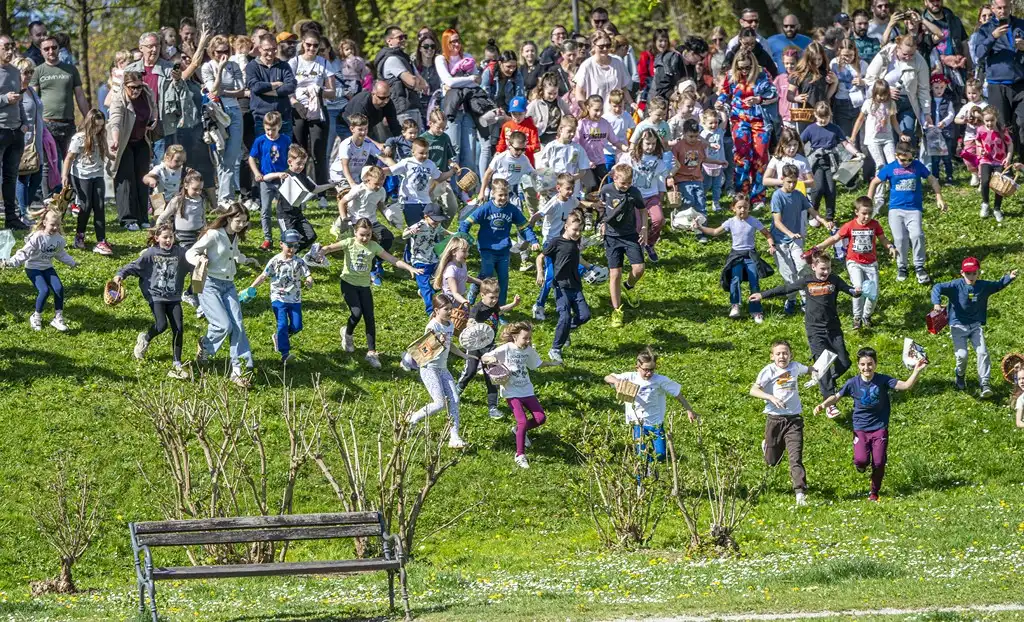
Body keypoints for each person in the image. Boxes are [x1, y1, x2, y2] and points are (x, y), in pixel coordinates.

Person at [814, 347, 927, 501]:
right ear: (858, 365)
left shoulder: (883, 380)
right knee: (861, 460)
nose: (866, 367)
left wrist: (916, 371)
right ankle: (860, 465)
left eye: (869, 364)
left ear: (875, 364)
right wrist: (823, 405)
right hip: (860, 428)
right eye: (863, 364)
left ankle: (874, 492)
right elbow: (836, 397)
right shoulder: (852, 383)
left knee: (879, 462)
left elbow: (906, 385)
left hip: (879, 428)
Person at [754, 251, 860, 415]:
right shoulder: (807, 281)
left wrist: (855, 292)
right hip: (815, 330)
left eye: (829, 268)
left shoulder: (834, 280)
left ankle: (823, 378)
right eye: (823, 269)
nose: (826, 272)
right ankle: (829, 403)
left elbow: (849, 289)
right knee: (823, 365)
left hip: (834, 329)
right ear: (813, 267)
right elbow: (786, 288)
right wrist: (762, 295)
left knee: (845, 362)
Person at [321, 218, 422, 369]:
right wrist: (322, 251)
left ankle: (372, 353)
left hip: (364, 286)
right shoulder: (349, 243)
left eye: (368, 235)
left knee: (369, 317)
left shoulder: (373, 246)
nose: (365, 238)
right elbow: (329, 248)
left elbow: (392, 259)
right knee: (356, 313)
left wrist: (410, 268)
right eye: (362, 235)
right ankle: (347, 334)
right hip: (348, 284)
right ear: (355, 232)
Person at [186, 204, 260, 387]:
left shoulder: (234, 236)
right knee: (223, 325)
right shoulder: (214, 234)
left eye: (244, 222)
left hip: (229, 285)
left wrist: (247, 260)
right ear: (228, 218)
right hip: (209, 284)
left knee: (238, 325)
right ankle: (205, 345)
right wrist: (199, 259)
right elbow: (190, 252)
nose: (241, 225)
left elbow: (234, 253)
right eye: (238, 221)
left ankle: (238, 370)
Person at [113, 224, 193, 378]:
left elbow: (194, 264)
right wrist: (120, 274)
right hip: (156, 296)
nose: (168, 240)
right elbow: (134, 266)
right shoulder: (151, 253)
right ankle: (145, 338)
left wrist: (202, 263)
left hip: (174, 297)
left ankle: (177, 363)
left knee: (179, 328)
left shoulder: (181, 253)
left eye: (171, 237)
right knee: (161, 325)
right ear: (157, 238)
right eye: (165, 237)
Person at [931, 257, 1017, 396]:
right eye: (968, 273)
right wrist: (936, 302)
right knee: (962, 356)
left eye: (974, 273)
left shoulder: (983, 286)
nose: (971, 276)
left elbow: (997, 285)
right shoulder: (955, 286)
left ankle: (984, 383)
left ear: (979, 273)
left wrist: (1009, 278)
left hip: (975, 325)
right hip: (958, 326)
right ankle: (960, 374)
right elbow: (937, 287)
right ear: (962, 273)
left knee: (983, 352)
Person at [482, 322, 561, 469]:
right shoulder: (507, 348)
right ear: (515, 337)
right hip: (512, 392)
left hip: (527, 390)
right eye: (525, 338)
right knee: (522, 422)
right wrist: (491, 360)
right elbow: (485, 357)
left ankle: (518, 431)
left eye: (530, 338)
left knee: (541, 418)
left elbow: (536, 363)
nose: (528, 341)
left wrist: (552, 364)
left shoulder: (528, 350)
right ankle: (520, 455)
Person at [811, 197, 897, 330]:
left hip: (871, 264)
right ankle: (857, 317)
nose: (867, 216)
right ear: (856, 212)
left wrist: (890, 247)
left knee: (873, 294)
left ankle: (866, 316)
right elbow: (835, 238)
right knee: (858, 289)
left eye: (870, 213)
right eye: (864, 213)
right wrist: (820, 246)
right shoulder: (850, 225)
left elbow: (882, 238)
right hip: (854, 262)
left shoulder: (875, 225)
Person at [867, 141, 946, 284]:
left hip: (914, 209)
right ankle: (902, 266)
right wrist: (868, 202)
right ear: (896, 155)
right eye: (903, 160)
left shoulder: (917, 166)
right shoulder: (890, 168)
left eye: (910, 159)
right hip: (896, 209)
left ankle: (919, 266)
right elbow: (874, 182)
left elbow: (932, 180)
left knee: (917, 235)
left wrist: (939, 197)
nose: (907, 163)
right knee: (900, 239)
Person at [604, 347, 699, 465]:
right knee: (641, 454)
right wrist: (617, 382)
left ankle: (649, 466)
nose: (649, 373)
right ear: (637, 367)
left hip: (655, 423)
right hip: (637, 423)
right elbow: (607, 377)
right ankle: (642, 473)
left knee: (661, 454)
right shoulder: (630, 377)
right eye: (646, 370)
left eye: (652, 370)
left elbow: (677, 394)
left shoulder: (660, 380)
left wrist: (689, 410)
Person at [749, 339, 814, 505]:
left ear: (790, 355)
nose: (782, 356)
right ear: (772, 356)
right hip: (775, 420)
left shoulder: (795, 367)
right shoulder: (768, 370)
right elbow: (753, 390)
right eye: (778, 353)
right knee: (772, 461)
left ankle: (800, 493)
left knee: (795, 457)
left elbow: (809, 370)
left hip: (794, 420)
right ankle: (767, 446)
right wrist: (770, 397)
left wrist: (816, 370)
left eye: (785, 353)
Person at [460, 177, 538, 306]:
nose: (503, 198)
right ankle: (476, 294)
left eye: (506, 195)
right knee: (487, 276)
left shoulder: (512, 209)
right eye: (500, 195)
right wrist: (463, 236)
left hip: (503, 250)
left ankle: (499, 309)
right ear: (493, 194)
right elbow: (467, 222)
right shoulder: (486, 208)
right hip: (487, 248)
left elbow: (524, 227)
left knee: (503, 280)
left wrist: (533, 240)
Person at [407, 293, 471, 449]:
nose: (450, 312)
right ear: (436, 310)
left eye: (450, 308)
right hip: (429, 369)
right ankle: (412, 419)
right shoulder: (432, 326)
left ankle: (454, 437)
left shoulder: (450, 325)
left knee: (454, 400)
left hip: (443, 368)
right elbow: (424, 348)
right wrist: (437, 341)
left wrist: (464, 355)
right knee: (440, 403)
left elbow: (450, 345)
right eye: (446, 309)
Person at [696, 198, 775, 322]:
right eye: (739, 207)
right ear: (733, 208)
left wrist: (771, 245)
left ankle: (756, 311)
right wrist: (700, 228)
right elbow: (715, 232)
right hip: (736, 255)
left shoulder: (754, 221)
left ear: (749, 208)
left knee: (754, 282)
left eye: (745, 207)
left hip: (750, 256)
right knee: (735, 279)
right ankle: (735, 305)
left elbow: (767, 234)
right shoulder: (730, 222)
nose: (743, 210)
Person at [716, 50, 777, 209]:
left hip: (759, 120)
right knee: (741, 157)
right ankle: (741, 195)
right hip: (739, 119)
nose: (744, 71)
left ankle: (758, 197)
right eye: (741, 67)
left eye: (748, 67)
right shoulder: (731, 75)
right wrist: (720, 102)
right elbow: (724, 93)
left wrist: (759, 99)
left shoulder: (763, 73)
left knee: (760, 156)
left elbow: (773, 94)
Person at [1, 209, 76, 331]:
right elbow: (24, 253)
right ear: (45, 222)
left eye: (58, 225)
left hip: (47, 267)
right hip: (33, 268)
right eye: (52, 224)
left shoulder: (59, 239)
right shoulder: (37, 237)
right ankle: (36, 317)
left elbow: (60, 254)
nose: (55, 228)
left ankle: (58, 318)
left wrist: (72, 262)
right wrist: (11, 262)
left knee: (59, 288)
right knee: (44, 291)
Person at [247, 228, 314, 364]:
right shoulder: (275, 261)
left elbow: (308, 274)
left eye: (296, 246)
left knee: (297, 326)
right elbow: (263, 276)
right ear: (281, 244)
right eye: (289, 245)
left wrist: (309, 280)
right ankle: (285, 354)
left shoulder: (299, 261)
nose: (292, 249)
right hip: (278, 298)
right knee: (282, 324)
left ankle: (279, 337)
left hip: (295, 298)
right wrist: (252, 287)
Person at [536, 209, 590, 362]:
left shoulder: (576, 243)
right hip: (561, 286)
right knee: (565, 316)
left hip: (576, 286)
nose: (578, 233)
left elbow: (577, 258)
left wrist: (590, 267)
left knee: (585, 316)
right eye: (575, 230)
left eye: (580, 230)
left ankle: (565, 331)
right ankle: (555, 348)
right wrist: (540, 272)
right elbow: (540, 257)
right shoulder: (556, 242)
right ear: (566, 227)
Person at [106, 72, 156, 231]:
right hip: (123, 142)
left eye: (139, 87)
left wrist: (153, 121)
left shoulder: (146, 93)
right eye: (132, 87)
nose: (136, 91)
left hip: (141, 140)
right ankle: (128, 218)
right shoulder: (119, 99)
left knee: (143, 179)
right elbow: (115, 121)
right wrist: (115, 140)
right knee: (126, 180)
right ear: (125, 86)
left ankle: (143, 217)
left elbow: (153, 108)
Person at [30, 35, 90, 167]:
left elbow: (80, 96)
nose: (51, 51)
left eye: (54, 47)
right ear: (41, 51)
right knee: (51, 166)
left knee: (73, 164)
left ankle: (68, 182)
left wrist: (88, 118)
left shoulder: (71, 69)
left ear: (59, 48)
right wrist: (32, 123)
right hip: (47, 125)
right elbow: (33, 99)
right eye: (46, 49)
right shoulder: (37, 71)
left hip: (68, 124)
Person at [600, 164, 647, 327]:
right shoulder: (606, 190)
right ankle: (617, 311)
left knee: (639, 269)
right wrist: (602, 223)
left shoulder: (634, 192)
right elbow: (601, 207)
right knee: (615, 274)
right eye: (623, 183)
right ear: (615, 178)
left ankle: (629, 286)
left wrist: (644, 228)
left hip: (630, 235)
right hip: (611, 237)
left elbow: (643, 210)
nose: (626, 186)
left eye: (629, 183)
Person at [863, 35, 933, 146]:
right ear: (898, 47)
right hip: (886, 102)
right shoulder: (884, 55)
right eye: (905, 54)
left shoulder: (920, 61)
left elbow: (924, 89)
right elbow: (869, 79)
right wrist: (887, 90)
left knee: (907, 135)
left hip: (908, 103)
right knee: (889, 138)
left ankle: (906, 156)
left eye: (912, 54)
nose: (908, 57)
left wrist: (926, 112)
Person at [202, 35, 246, 208]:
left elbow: (241, 90)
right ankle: (224, 198)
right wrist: (220, 70)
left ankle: (225, 197)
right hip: (217, 112)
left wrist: (224, 91)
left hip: (234, 111)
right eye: (219, 52)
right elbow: (213, 90)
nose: (223, 55)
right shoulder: (207, 67)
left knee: (232, 154)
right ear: (212, 52)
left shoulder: (234, 65)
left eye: (226, 51)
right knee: (220, 155)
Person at [769, 165, 818, 315]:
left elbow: (811, 210)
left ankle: (805, 299)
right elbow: (777, 222)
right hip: (780, 240)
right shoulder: (777, 196)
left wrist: (823, 220)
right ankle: (791, 299)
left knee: (802, 266)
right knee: (789, 275)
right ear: (782, 179)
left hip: (795, 240)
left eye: (795, 182)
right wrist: (790, 233)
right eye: (789, 182)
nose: (792, 185)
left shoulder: (798, 195)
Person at [801, 103, 861, 226]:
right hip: (817, 162)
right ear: (815, 115)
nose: (823, 120)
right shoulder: (810, 129)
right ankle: (813, 213)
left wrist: (856, 153)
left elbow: (845, 143)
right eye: (820, 117)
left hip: (831, 162)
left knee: (831, 190)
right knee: (818, 188)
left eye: (826, 117)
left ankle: (830, 217)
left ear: (830, 116)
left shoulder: (835, 128)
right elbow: (800, 142)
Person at [289, 32, 335, 191]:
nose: (312, 48)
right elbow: (287, 87)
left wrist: (318, 90)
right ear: (303, 43)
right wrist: (295, 102)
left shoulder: (324, 63)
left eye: (315, 45)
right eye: (308, 44)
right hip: (298, 110)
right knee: (298, 151)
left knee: (319, 152)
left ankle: (321, 192)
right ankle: (299, 189)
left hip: (318, 110)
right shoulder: (294, 62)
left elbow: (332, 92)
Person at [125, 32, 180, 164]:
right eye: (150, 46)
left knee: (161, 165)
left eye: (157, 46)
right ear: (141, 48)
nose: (154, 50)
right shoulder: (130, 70)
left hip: (162, 124)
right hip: (136, 125)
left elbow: (181, 96)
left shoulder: (169, 69)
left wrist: (179, 81)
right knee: (140, 165)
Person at [62, 109, 111, 256]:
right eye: (96, 126)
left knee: (100, 206)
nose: (99, 129)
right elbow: (69, 158)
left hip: (98, 174)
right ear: (89, 124)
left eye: (101, 126)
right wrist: (64, 176)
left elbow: (106, 152)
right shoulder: (79, 138)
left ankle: (101, 240)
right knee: (86, 205)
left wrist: (114, 155)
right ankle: (80, 235)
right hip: (81, 175)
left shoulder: (101, 136)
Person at [336, 165, 391, 285]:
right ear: (367, 179)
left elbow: (380, 204)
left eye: (381, 183)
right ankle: (371, 271)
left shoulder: (381, 191)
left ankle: (377, 262)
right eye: (376, 184)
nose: (378, 186)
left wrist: (388, 216)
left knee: (387, 237)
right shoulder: (359, 189)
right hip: (357, 222)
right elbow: (342, 202)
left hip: (372, 221)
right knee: (365, 244)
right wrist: (344, 218)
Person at [851, 80, 899, 212]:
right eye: (879, 95)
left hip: (887, 138)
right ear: (874, 93)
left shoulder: (891, 104)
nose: (882, 97)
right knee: (881, 165)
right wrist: (853, 136)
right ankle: (879, 197)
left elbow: (894, 121)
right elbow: (860, 120)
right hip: (872, 139)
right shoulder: (868, 103)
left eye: (884, 94)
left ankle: (895, 190)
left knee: (893, 163)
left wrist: (900, 134)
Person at [248, 111, 292, 250]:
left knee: (282, 210)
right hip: (266, 181)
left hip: (282, 180)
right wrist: (257, 173)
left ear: (279, 126)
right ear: (264, 127)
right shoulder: (260, 141)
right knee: (265, 211)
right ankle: (267, 238)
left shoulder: (285, 140)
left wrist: (289, 171)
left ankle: (285, 237)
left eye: (273, 129)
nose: (270, 132)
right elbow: (251, 158)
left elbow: (291, 156)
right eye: (267, 129)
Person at [375, 26, 428, 130]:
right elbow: (412, 81)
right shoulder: (392, 59)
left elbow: (424, 85)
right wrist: (414, 83)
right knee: (407, 141)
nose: (403, 39)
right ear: (389, 41)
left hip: (412, 107)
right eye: (400, 37)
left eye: (405, 37)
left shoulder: (404, 58)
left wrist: (414, 83)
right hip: (402, 111)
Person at [0, 35, 28, 231]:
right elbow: (9, 98)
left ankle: (11, 218)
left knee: (11, 177)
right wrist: (4, 99)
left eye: (12, 47)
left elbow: (20, 101)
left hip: (15, 132)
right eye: (6, 47)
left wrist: (24, 123)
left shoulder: (15, 72)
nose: (10, 51)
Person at [246, 33, 298, 138]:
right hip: (262, 119)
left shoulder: (284, 65)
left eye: (274, 49)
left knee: (285, 148)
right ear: (260, 49)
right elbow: (255, 87)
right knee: (264, 148)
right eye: (267, 49)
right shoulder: (252, 66)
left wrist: (271, 92)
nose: (270, 53)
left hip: (283, 119)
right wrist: (275, 84)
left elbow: (291, 86)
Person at [402, 203, 449, 314]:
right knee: (426, 288)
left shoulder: (437, 226)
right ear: (426, 217)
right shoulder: (419, 225)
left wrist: (455, 234)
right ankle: (431, 312)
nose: (437, 222)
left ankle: (425, 292)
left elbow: (442, 230)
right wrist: (410, 232)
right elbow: (404, 235)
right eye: (435, 220)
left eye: (439, 220)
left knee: (441, 280)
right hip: (420, 261)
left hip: (433, 258)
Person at [15, 57, 44, 227]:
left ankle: (25, 208)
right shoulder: (15, 91)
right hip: (24, 141)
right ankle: (22, 213)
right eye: (25, 72)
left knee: (37, 176)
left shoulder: (31, 90)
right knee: (23, 177)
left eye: (31, 72)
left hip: (37, 141)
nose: (29, 75)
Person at [975, 107, 1013, 222]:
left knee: (999, 186)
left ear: (996, 119)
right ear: (983, 119)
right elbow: (977, 141)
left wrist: (1008, 158)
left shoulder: (1002, 130)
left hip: (1000, 161)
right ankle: (985, 203)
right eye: (987, 120)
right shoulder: (980, 130)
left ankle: (997, 208)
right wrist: (980, 149)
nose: (989, 123)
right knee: (985, 181)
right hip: (986, 160)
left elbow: (1010, 144)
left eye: (992, 120)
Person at [574, 30, 632, 105]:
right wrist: (586, 109)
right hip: (596, 110)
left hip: (616, 110)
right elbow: (579, 93)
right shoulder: (587, 65)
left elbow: (624, 88)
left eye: (608, 45)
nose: (605, 49)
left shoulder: (618, 62)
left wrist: (631, 103)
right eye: (601, 46)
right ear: (593, 46)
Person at [955, 78, 990, 187]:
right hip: (970, 136)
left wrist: (980, 117)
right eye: (969, 93)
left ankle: (982, 179)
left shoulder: (985, 105)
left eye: (974, 93)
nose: (971, 96)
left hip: (983, 136)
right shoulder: (966, 106)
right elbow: (956, 119)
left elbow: (990, 119)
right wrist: (964, 120)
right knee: (968, 156)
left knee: (982, 157)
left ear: (980, 92)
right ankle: (974, 173)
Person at [433, 235, 482, 306]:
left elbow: (464, 277)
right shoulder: (451, 270)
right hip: (450, 302)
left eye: (467, 251)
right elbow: (454, 293)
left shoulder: (462, 264)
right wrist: (464, 301)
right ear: (454, 252)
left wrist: (480, 282)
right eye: (464, 251)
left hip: (460, 297)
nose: (467, 254)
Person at [928, 74, 956, 184]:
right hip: (933, 132)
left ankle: (949, 176)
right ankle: (936, 177)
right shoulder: (929, 100)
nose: (939, 90)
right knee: (935, 157)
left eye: (942, 87)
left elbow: (951, 114)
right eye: (936, 87)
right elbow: (924, 114)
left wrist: (944, 122)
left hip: (945, 131)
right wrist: (926, 124)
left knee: (946, 156)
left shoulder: (948, 100)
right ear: (931, 87)